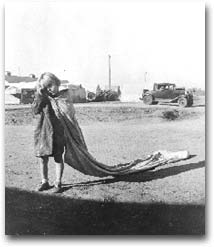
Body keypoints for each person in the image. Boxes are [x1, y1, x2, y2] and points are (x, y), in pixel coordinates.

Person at [32, 72, 66, 193]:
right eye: (47, 86)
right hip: (43, 131)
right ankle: (44, 181)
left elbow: (68, 114)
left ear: (57, 83)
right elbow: (35, 110)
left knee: (58, 157)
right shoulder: (42, 96)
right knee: (42, 158)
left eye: (52, 85)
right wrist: (39, 95)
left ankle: (58, 182)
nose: (50, 88)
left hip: (57, 132)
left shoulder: (63, 97)